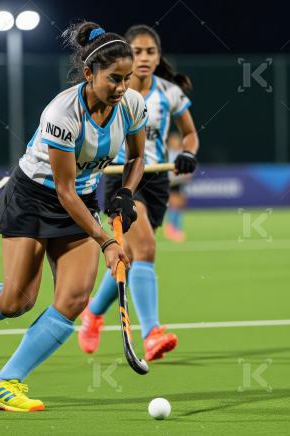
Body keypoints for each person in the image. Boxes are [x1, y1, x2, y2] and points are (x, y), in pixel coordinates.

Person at [0, 21, 148, 412]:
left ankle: (5, 383)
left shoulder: (131, 106)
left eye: (127, 79)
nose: (122, 88)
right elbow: (62, 189)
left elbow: (137, 157)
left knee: (75, 297)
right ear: (89, 73)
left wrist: (127, 192)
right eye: (114, 79)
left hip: (79, 199)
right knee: (16, 302)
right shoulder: (63, 114)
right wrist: (107, 240)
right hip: (33, 198)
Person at [78, 24, 200, 362]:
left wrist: (188, 153)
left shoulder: (169, 92)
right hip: (121, 179)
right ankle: (152, 333)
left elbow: (189, 133)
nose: (144, 58)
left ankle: (92, 315)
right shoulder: (114, 89)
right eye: (138, 52)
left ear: (159, 57)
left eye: (151, 52)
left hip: (156, 181)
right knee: (145, 248)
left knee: (128, 260)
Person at [164, 130, 192, 243]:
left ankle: (177, 228)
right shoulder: (167, 153)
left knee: (180, 204)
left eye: (177, 140)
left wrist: (187, 175)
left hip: (180, 182)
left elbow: (189, 167)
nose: (175, 142)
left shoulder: (181, 153)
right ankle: (171, 228)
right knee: (173, 204)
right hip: (171, 183)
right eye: (173, 140)